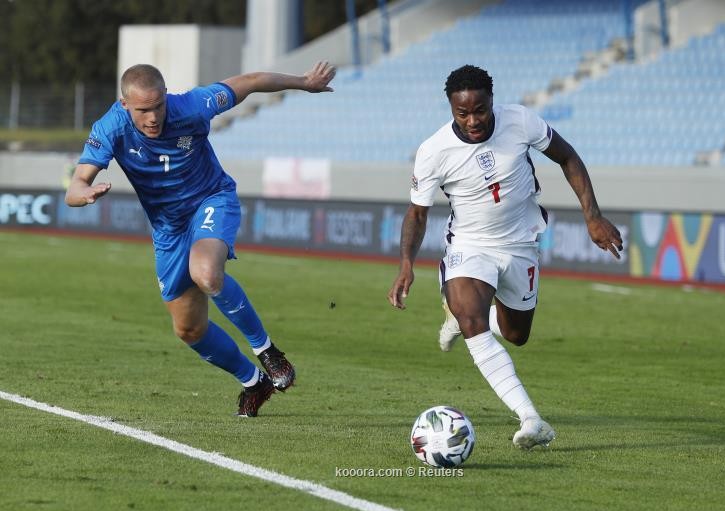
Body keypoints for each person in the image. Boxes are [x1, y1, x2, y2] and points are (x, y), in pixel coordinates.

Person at [65, 61, 336, 417]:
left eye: (158, 105)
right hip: (168, 229)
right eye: (143, 109)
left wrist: (303, 82)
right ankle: (255, 382)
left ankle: (268, 352)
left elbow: (251, 81)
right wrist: (84, 193)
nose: (153, 117)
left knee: (206, 273)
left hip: (211, 199)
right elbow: (74, 186)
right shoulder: (110, 127)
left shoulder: (192, 105)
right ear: (124, 103)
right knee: (189, 329)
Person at [387, 65, 623, 450]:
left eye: (479, 109)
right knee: (472, 317)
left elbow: (568, 157)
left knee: (517, 334)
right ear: (451, 109)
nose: (473, 120)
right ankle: (530, 418)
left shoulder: (520, 121)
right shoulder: (433, 151)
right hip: (469, 245)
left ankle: (459, 319)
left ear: (491, 100)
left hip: (521, 244)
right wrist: (406, 265)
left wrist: (592, 216)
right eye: (462, 113)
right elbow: (417, 213)